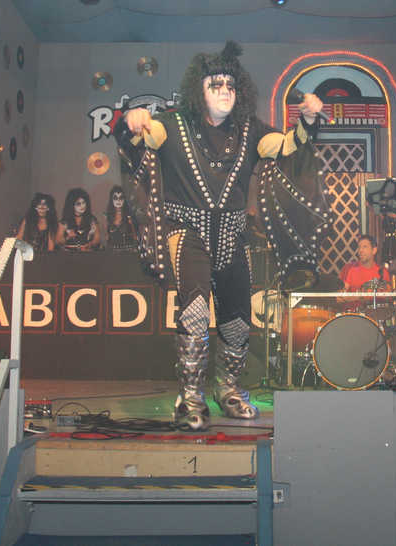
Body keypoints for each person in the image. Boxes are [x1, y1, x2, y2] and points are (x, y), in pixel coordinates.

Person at [116, 41, 325, 431]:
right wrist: (131, 118)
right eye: (215, 84)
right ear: (199, 90)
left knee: (238, 321)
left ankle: (228, 389)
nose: (225, 90)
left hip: (232, 234)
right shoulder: (171, 125)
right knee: (195, 313)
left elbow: (286, 147)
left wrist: (308, 121)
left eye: (230, 84)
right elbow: (137, 139)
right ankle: (191, 397)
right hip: (187, 231)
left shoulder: (251, 131)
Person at [104, 185, 138, 250]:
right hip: (112, 251)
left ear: (124, 200)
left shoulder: (129, 216)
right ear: (111, 200)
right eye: (115, 198)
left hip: (128, 250)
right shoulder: (107, 217)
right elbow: (106, 238)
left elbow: (135, 237)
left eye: (121, 198)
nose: (118, 200)